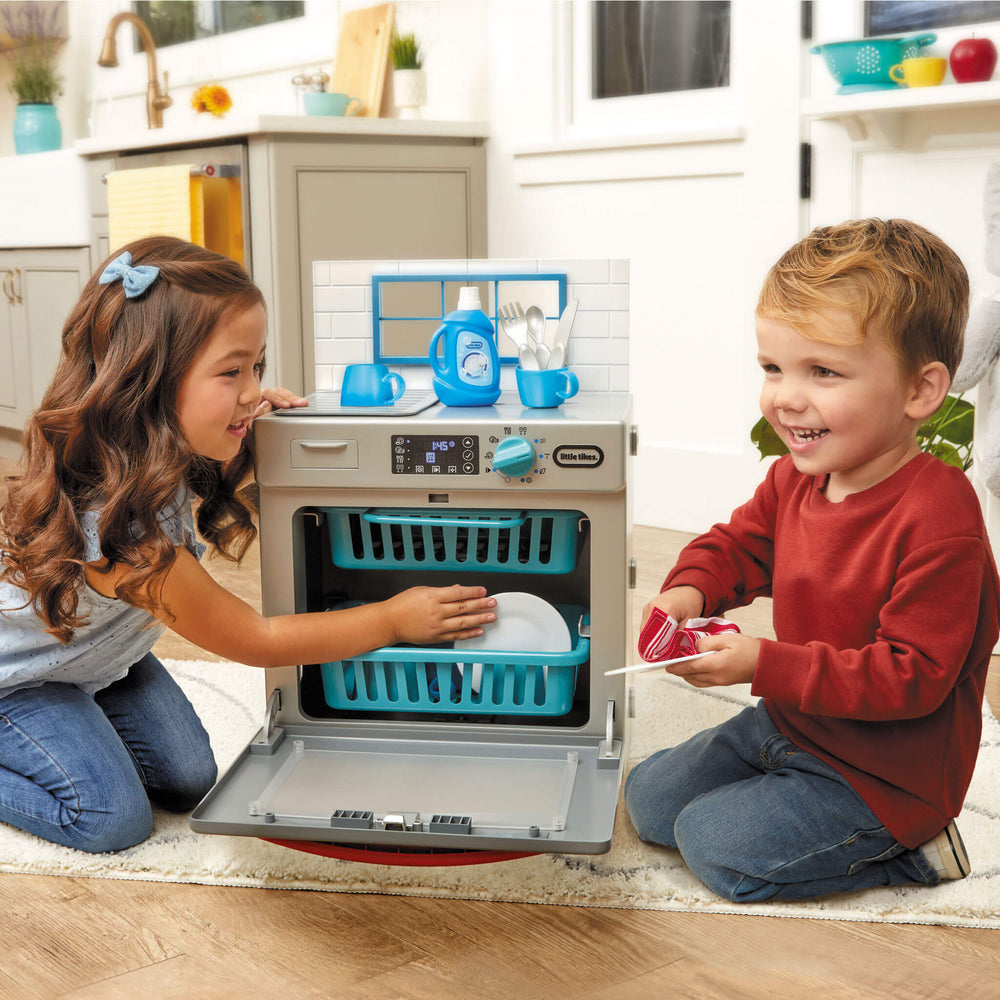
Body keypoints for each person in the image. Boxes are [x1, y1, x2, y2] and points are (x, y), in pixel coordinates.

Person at [0, 236, 496, 854]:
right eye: (231, 371)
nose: (252, 387)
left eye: (256, 367)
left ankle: (78, 717)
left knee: (188, 779)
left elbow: (222, 461)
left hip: (96, 661)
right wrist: (394, 619)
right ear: (150, 382)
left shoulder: (156, 447)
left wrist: (250, 417)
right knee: (110, 817)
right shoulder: (126, 541)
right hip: (16, 682)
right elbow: (256, 642)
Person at [625, 218, 1000, 902]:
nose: (785, 397)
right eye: (773, 367)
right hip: (793, 721)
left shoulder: (941, 518)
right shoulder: (795, 479)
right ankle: (782, 790)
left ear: (920, 392)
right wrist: (687, 593)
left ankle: (912, 851)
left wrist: (762, 664)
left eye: (822, 371)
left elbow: (910, 678)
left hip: (885, 775)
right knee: (650, 800)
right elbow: (736, 545)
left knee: (714, 846)